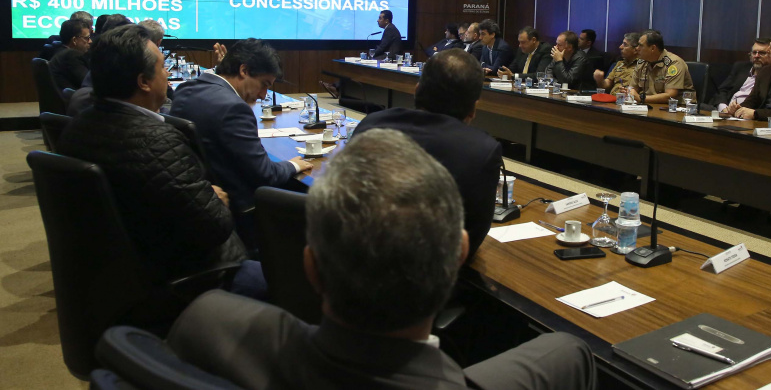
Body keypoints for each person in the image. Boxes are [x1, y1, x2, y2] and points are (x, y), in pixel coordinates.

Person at [167, 129, 595, 390]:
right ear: (458, 256)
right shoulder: (560, 361)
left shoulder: (207, 322)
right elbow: (570, 353)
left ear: (311, 267)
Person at [56, 25, 253, 311]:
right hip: (188, 279)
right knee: (293, 278)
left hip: (116, 277)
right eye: (162, 67)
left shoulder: (77, 127)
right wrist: (216, 199)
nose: (167, 76)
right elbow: (215, 227)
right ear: (143, 82)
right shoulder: (157, 141)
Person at [352, 49, 502, 257]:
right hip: (429, 273)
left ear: (416, 90)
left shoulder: (372, 122)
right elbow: (469, 241)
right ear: (473, 109)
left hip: (354, 255)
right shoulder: (482, 150)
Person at [170, 39, 313, 248]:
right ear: (244, 70)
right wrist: (294, 165)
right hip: (240, 214)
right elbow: (266, 175)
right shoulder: (233, 108)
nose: (264, 95)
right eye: (264, 84)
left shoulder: (185, 88)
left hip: (199, 202)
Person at [629, 30, 694, 105]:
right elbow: (633, 88)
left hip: (677, 108)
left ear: (653, 48)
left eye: (641, 45)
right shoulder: (642, 63)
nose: (637, 48)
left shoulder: (674, 63)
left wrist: (641, 98)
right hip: (649, 105)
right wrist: (630, 92)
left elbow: (670, 96)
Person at [711, 38, 770, 113]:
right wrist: (723, 108)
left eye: (762, 53)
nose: (756, 56)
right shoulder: (741, 67)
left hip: (746, 114)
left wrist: (737, 110)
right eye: (754, 52)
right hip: (725, 110)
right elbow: (722, 90)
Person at [48, 16, 92, 91]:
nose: (90, 41)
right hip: (74, 100)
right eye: (86, 38)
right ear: (74, 40)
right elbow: (88, 84)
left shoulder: (60, 51)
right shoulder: (71, 55)